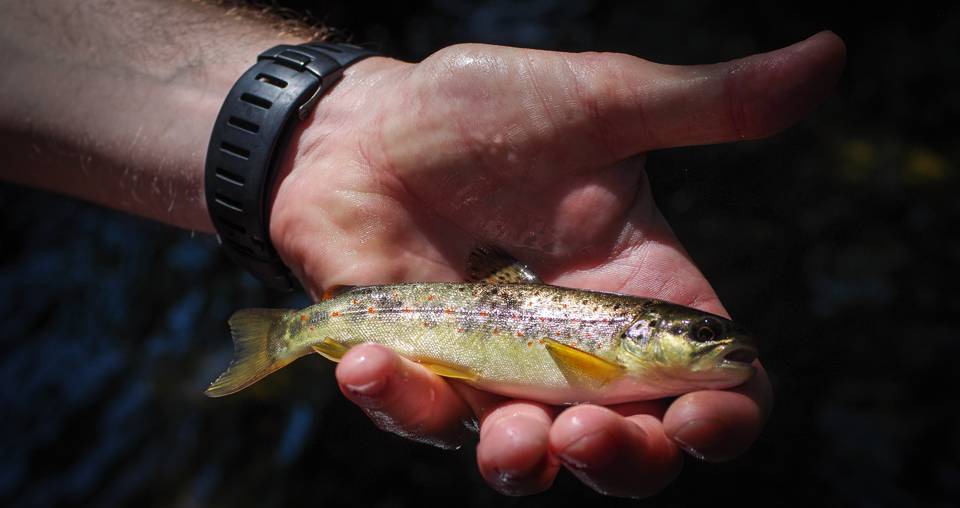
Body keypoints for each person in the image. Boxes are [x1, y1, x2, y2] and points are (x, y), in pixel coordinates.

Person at [0, 0, 845, 498]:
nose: (720, 343)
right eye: (699, 336)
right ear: (634, 337)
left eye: (706, 337)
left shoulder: (633, 365)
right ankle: (287, 335)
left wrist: (310, 136)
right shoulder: (612, 357)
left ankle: (293, 329)